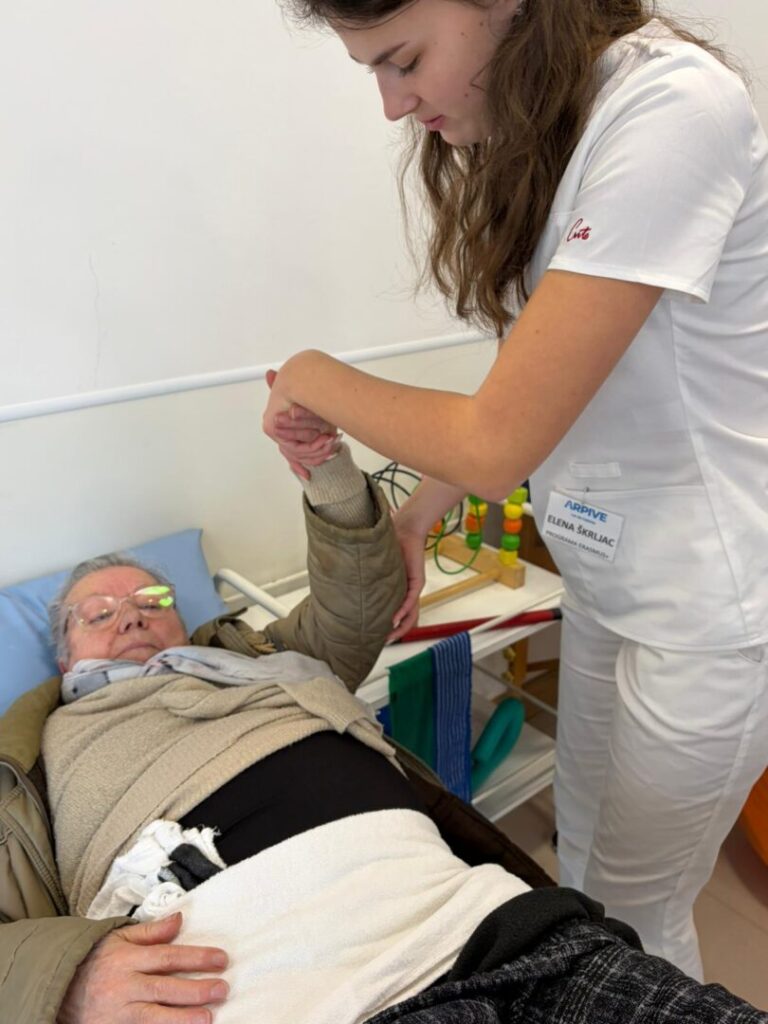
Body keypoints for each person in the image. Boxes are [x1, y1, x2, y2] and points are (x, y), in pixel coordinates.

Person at [262, 0, 768, 981]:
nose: (393, 105)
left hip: (710, 605)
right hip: (609, 578)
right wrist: (419, 514)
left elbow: (498, 440)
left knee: (636, 910)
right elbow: (542, 387)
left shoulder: (672, 106)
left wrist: (312, 374)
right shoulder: (553, 132)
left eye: (404, 60)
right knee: (581, 865)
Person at [2, 444, 768, 1024]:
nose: (133, 616)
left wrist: (329, 472)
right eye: (100, 614)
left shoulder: (253, 654)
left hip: (475, 919)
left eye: (153, 599)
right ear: (65, 652)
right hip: (277, 986)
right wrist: (63, 980)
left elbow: (357, 608)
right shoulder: (30, 756)